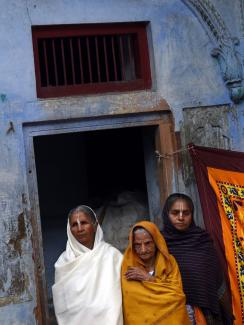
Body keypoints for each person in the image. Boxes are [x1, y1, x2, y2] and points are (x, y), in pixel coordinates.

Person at [161, 193, 233, 325]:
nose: (181, 217)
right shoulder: (159, 244)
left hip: (204, 313)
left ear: (192, 214)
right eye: (175, 213)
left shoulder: (202, 241)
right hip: (170, 312)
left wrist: (228, 313)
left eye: (186, 213)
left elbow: (216, 279)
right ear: (167, 214)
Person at [52, 205, 123, 325]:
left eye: (84, 222)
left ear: (95, 226)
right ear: (69, 230)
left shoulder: (113, 256)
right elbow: (64, 307)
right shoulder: (63, 263)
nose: (80, 229)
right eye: (74, 225)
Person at [121, 220, 191, 325]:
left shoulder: (169, 262)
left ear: (156, 241)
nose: (143, 249)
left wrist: (149, 279)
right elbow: (129, 304)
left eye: (148, 243)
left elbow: (177, 297)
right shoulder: (127, 267)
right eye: (138, 245)